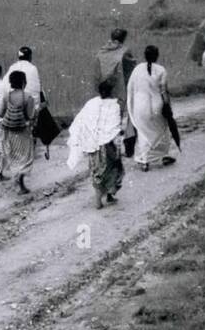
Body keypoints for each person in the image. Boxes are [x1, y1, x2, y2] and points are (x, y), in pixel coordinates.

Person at [67, 79, 126, 208]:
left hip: (93, 145)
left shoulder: (91, 103)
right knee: (113, 170)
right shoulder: (115, 105)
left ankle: (102, 199)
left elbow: (81, 122)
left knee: (97, 172)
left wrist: (85, 140)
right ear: (111, 92)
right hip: (108, 145)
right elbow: (115, 127)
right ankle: (106, 197)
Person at [127, 45, 176, 170]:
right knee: (163, 131)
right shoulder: (161, 70)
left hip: (140, 105)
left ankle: (144, 160)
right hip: (156, 105)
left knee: (143, 132)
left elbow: (130, 88)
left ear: (145, 55)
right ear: (157, 56)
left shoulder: (137, 69)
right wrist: (168, 106)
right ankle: (163, 155)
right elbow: (164, 91)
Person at [93, 28, 138, 156]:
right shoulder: (125, 51)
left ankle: (109, 148)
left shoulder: (101, 52)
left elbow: (97, 73)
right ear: (123, 38)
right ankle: (128, 147)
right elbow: (132, 69)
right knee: (128, 118)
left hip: (105, 91)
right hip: (121, 90)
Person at [0, 70, 38, 194]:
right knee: (24, 157)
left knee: (13, 156)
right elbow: (30, 116)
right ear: (24, 82)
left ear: (10, 83)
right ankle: (20, 183)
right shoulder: (28, 97)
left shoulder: (6, 96)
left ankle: (17, 180)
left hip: (9, 131)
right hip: (22, 132)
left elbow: (1, 112)